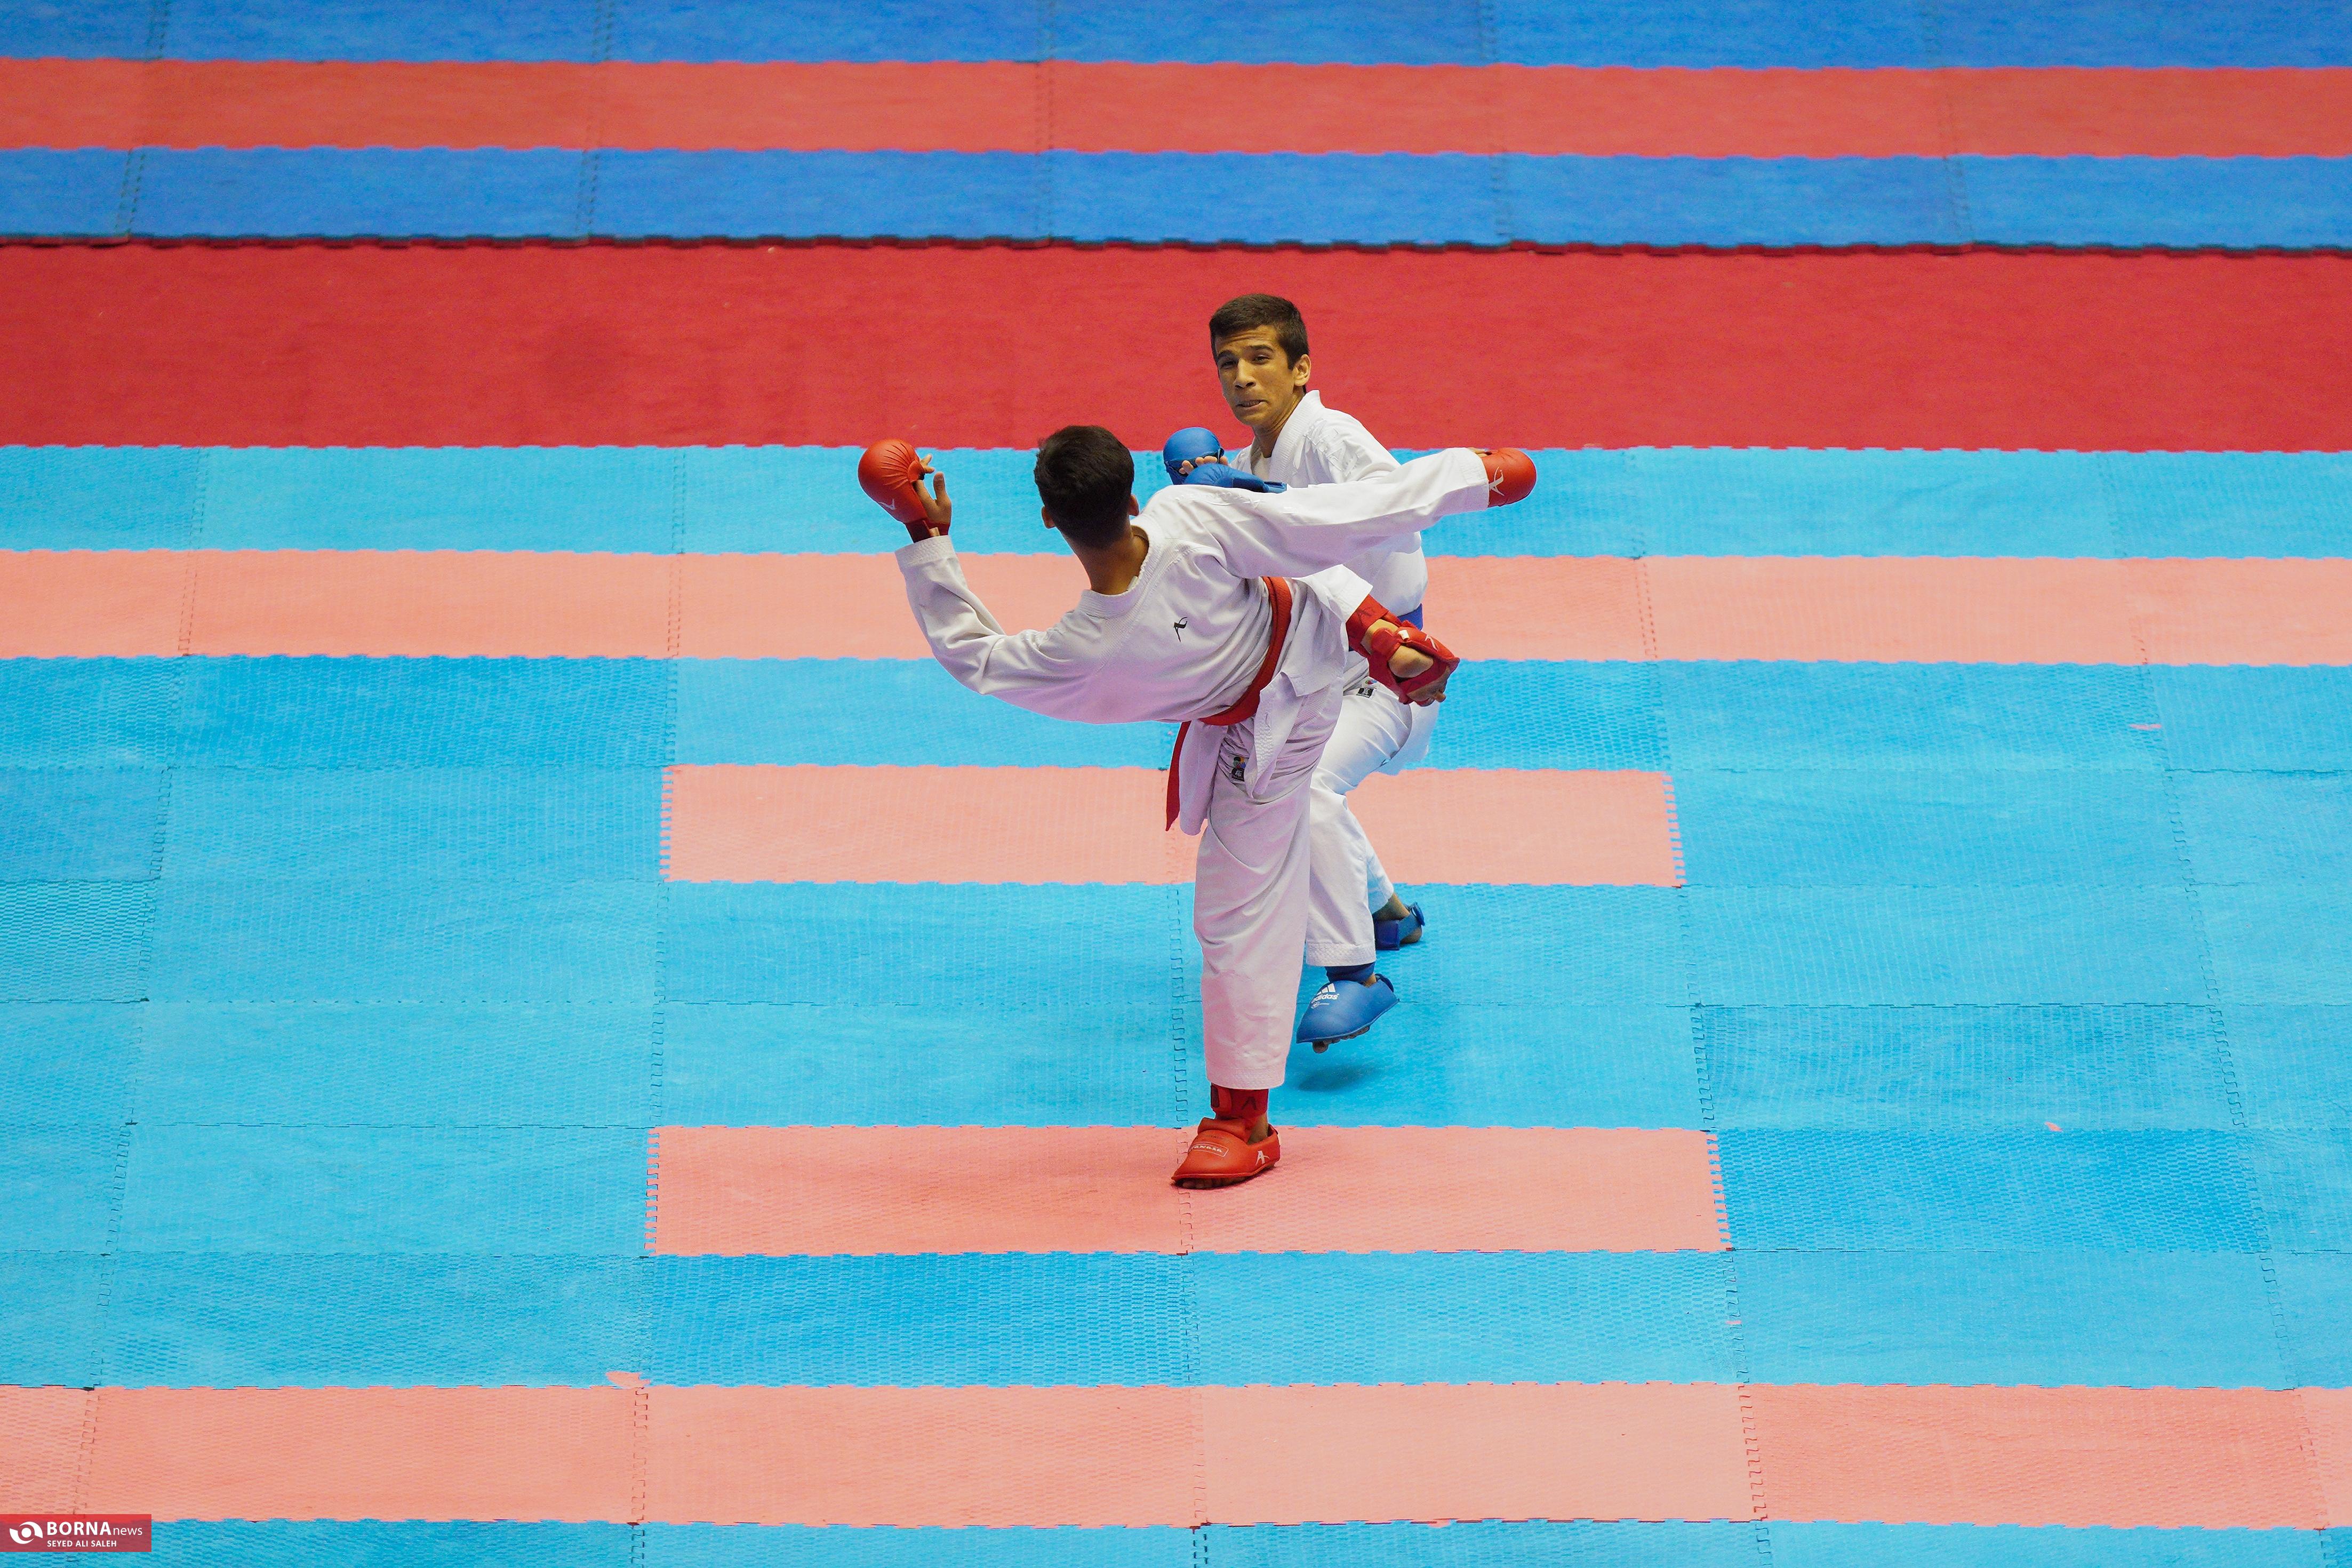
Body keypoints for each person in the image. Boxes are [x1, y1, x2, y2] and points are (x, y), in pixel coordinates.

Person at [859, 430, 1534, 1187]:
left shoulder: (1083, 652)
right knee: (1277, 523)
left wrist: (926, 537)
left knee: (1237, 916)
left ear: (1049, 519)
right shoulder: (1184, 514)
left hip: (1268, 740)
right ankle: (1377, 628)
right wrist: (1470, 476)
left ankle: (1245, 1124)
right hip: (1313, 642)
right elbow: (1336, 516)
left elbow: (974, 656)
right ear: (1133, 499)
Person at [1189, 292, 1438, 1052]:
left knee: (1310, 787)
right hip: (1314, 675)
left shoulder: (1331, 437)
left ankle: (1356, 973)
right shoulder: (1243, 467)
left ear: (1300, 369)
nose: (1241, 377)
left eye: (1260, 358)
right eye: (1227, 363)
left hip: (1389, 670)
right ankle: (1385, 910)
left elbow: (1399, 505)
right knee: (1274, 779)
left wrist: (1275, 504)